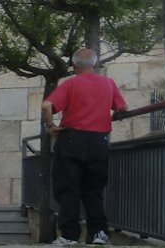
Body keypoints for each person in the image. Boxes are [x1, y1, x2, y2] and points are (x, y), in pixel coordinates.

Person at [42, 48, 127, 247]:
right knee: (93, 190)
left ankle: (70, 235)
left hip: (72, 139)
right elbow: (122, 108)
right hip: (99, 141)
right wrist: (113, 113)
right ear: (95, 64)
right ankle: (99, 233)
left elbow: (47, 106)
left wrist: (51, 126)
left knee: (68, 189)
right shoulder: (108, 83)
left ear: (74, 65)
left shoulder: (71, 84)